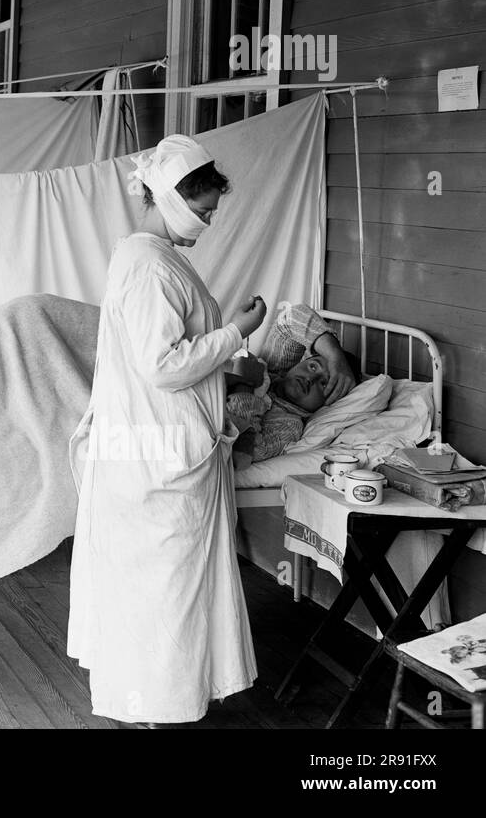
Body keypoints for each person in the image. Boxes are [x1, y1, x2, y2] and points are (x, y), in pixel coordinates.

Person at [67, 134, 266, 726]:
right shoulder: (150, 264)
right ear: (173, 201)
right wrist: (238, 331)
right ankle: (156, 704)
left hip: (151, 444)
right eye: (202, 212)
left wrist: (228, 369)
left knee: (159, 585)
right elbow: (163, 365)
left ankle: (161, 700)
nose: (207, 225)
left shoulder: (150, 257)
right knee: (164, 588)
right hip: (156, 452)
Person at [226, 305, 358, 468]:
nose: (310, 378)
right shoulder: (274, 368)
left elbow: (244, 453)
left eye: (324, 383)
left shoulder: (289, 425)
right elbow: (291, 317)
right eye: (313, 366)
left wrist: (243, 384)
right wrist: (335, 357)